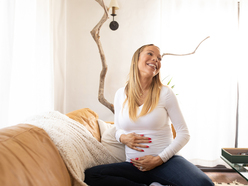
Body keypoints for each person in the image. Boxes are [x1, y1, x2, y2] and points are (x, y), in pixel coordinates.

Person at [85, 44, 214, 186]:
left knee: (204, 184)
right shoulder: (120, 94)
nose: (156, 60)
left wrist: (158, 160)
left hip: (166, 163)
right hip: (134, 166)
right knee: (92, 175)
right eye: (150, 54)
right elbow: (118, 128)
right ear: (136, 60)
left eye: (159, 58)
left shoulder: (165, 93)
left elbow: (184, 134)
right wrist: (122, 137)